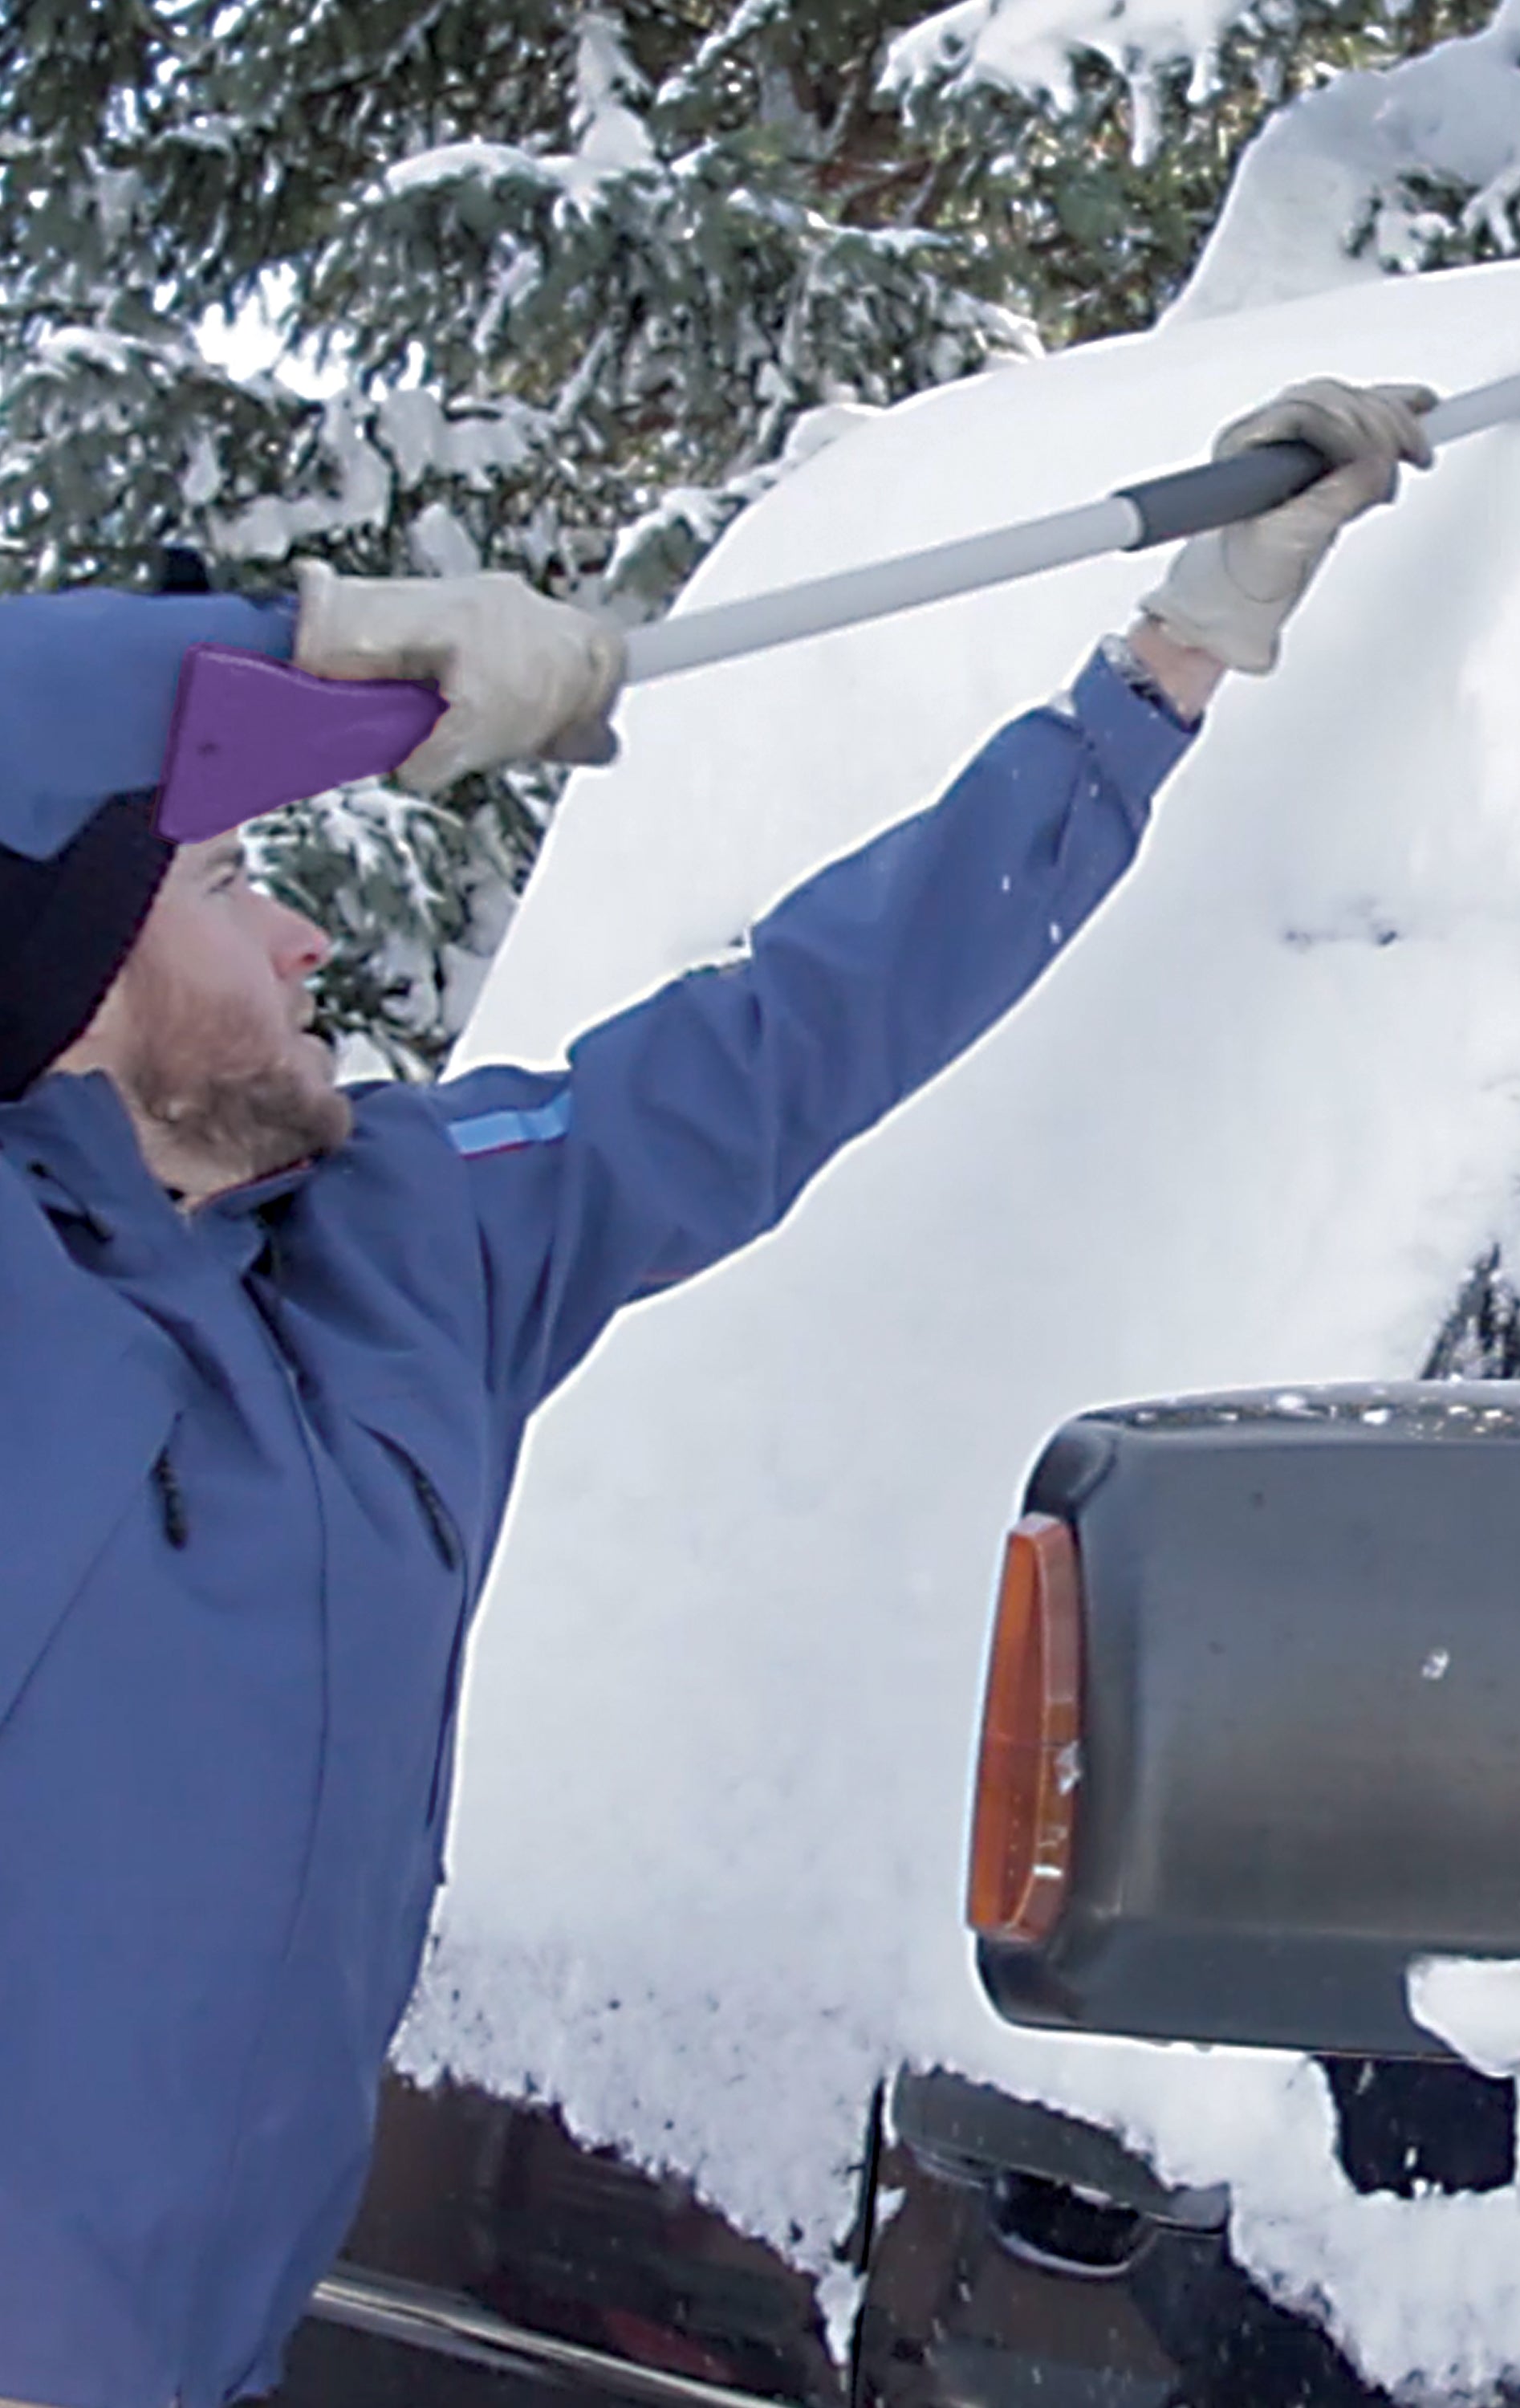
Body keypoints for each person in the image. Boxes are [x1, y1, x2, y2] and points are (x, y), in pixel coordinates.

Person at [0, 376, 1433, 2408]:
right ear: (67, 995)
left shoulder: (404, 1248)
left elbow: (797, 1030)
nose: (313, 932)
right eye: (235, 884)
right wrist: (271, 661)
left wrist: (1171, 667)